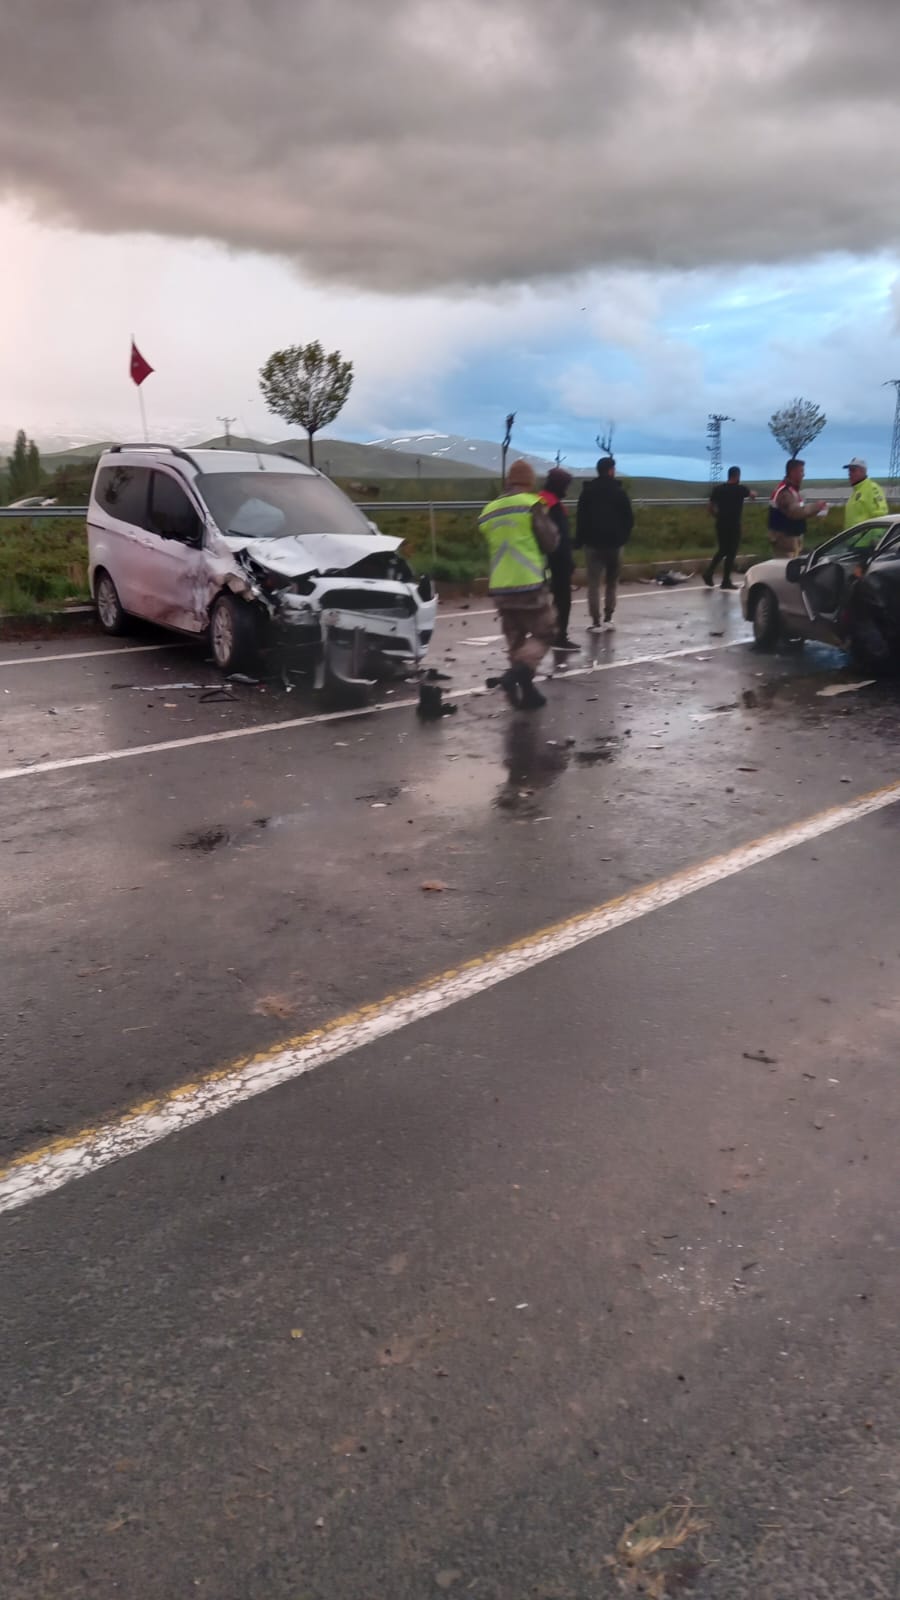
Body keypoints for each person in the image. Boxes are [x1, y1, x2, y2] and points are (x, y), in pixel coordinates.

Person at [479, 459, 559, 709]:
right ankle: (516, 674)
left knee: (516, 640)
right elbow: (550, 542)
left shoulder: (489, 510)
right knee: (546, 633)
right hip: (529, 583)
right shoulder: (531, 505)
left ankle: (527, 692)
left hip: (500, 586)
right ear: (529, 481)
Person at [574, 457, 634, 629]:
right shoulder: (619, 492)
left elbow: (581, 519)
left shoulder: (587, 492)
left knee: (593, 584)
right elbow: (629, 519)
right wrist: (623, 538)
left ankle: (595, 621)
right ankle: (608, 617)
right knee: (612, 582)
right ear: (610, 470)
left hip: (592, 544)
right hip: (615, 544)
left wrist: (580, 540)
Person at [539, 466, 578, 649]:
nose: (566, 490)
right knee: (562, 600)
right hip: (557, 560)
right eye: (565, 486)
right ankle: (559, 636)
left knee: (545, 600)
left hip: (541, 559)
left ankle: (548, 633)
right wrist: (568, 560)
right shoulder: (553, 505)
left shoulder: (540, 500)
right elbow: (558, 537)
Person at [704, 466, 756, 590]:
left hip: (721, 523)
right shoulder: (740, 489)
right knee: (731, 552)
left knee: (722, 550)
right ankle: (725, 580)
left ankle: (709, 572)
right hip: (734, 524)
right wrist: (753, 494)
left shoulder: (718, 489)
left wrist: (717, 516)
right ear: (737, 476)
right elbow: (752, 495)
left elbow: (710, 507)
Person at [767, 459, 827, 557]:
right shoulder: (784, 492)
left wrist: (816, 510)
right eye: (801, 471)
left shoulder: (792, 490)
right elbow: (795, 512)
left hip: (791, 540)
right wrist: (816, 506)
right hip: (785, 542)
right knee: (786, 566)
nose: (803, 475)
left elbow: (800, 511)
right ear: (792, 472)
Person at [843, 456, 887, 530]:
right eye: (849, 471)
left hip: (868, 536)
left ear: (863, 471)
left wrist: (874, 536)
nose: (849, 474)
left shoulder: (872, 488)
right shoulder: (856, 492)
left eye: (853, 470)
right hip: (854, 536)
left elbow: (881, 513)